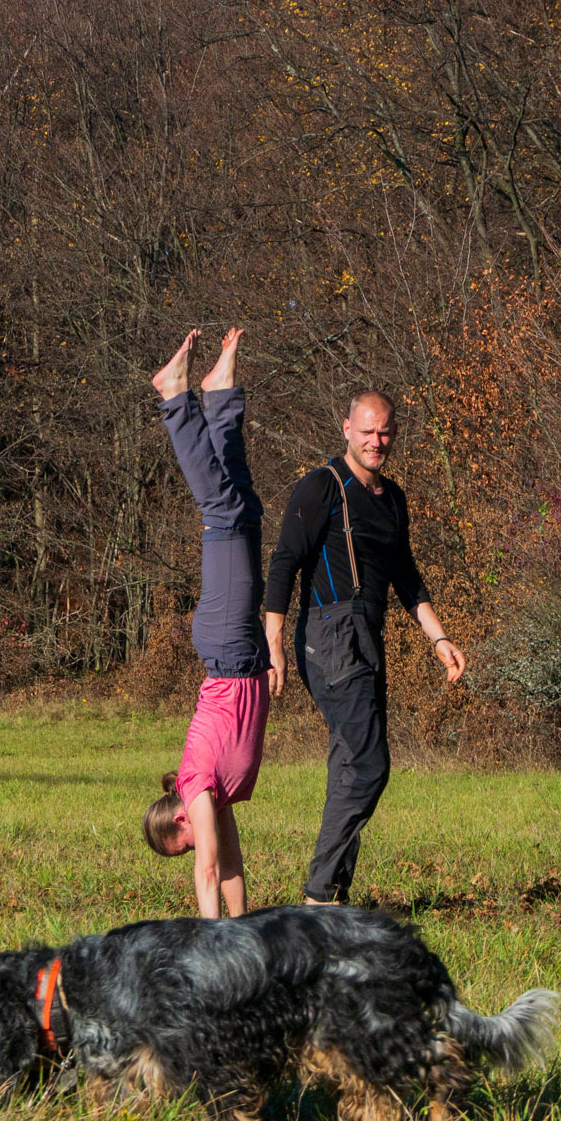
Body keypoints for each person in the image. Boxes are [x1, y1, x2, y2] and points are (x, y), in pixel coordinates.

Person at [264, 389, 467, 905]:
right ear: (347, 429)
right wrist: (274, 644)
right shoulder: (321, 488)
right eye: (368, 431)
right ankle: (316, 898)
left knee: (349, 767)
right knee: (369, 763)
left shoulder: (393, 499)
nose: (377, 442)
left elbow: (407, 578)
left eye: (385, 433)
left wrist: (439, 638)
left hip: (365, 636)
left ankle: (330, 896)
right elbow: (284, 562)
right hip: (329, 634)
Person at [142, 327, 271, 918]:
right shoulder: (214, 801)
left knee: (222, 513)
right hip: (238, 649)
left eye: (184, 839)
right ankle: (220, 397)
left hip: (224, 643)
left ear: (176, 818)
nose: (197, 835)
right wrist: (244, 932)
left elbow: (210, 868)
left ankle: (175, 400)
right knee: (243, 509)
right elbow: (234, 866)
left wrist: (212, 938)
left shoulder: (195, 790)